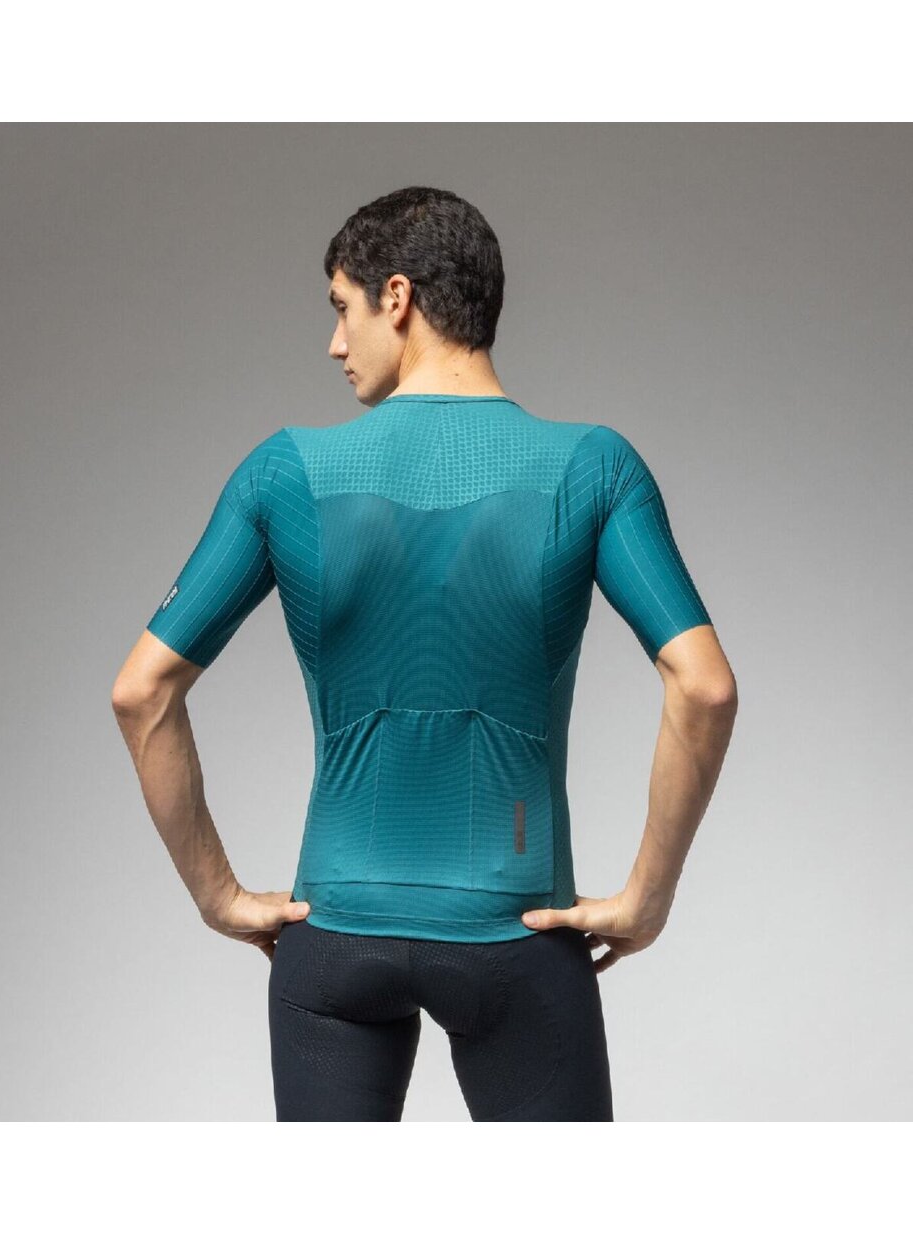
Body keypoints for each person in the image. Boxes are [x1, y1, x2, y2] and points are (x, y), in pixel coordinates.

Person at [111, 186, 738, 1121]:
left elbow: (142, 692)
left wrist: (219, 896)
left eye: (341, 308)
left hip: (332, 936)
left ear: (396, 298)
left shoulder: (285, 472)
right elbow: (705, 687)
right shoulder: (594, 467)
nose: (335, 343)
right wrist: (650, 893)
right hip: (516, 928)